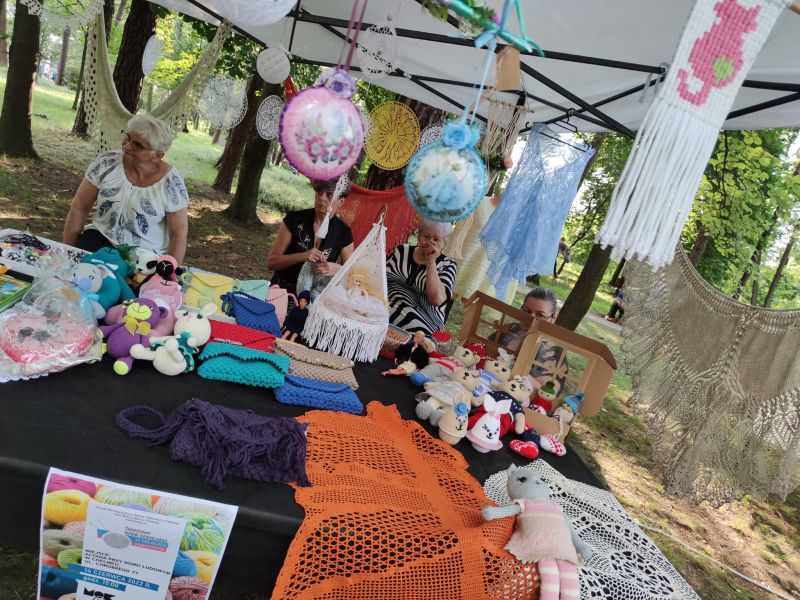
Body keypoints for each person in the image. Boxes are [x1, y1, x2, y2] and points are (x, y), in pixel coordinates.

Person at [63, 115, 190, 263]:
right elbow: (79, 208)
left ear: (158, 155)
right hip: (100, 239)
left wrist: (168, 271)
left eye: (138, 145)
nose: (127, 146)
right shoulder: (106, 163)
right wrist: (67, 252)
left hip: (144, 255)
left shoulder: (171, 183)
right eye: (127, 138)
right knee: (78, 272)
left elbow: (178, 234)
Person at [266, 178, 354, 294]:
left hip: (316, 296)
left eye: (330, 195)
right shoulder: (294, 219)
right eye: (319, 192)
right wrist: (301, 256)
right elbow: (271, 262)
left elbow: (352, 276)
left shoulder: (343, 232)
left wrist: (339, 270)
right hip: (281, 291)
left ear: (341, 202)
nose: (322, 198)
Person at [490, 287, 568, 394]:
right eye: (526, 311)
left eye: (540, 315)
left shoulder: (556, 353)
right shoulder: (510, 329)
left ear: (554, 317)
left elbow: (548, 393)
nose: (530, 319)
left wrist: (514, 371)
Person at [386, 220, 457, 336]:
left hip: (424, 322)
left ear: (443, 243)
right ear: (419, 237)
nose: (430, 242)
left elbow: (436, 300)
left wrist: (431, 263)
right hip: (385, 311)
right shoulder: (402, 250)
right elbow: (381, 278)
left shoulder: (448, 265)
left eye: (436, 239)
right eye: (426, 237)